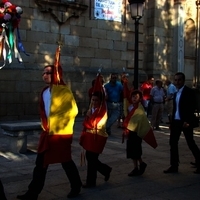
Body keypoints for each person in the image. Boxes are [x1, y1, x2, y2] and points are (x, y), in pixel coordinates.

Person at [17, 48, 82, 200]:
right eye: (43, 73)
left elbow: (73, 111)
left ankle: (76, 186)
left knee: (66, 161)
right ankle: (32, 193)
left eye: (48, 72)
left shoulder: (64, 91)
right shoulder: (44, 92)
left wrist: (59, 124)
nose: (45, 75)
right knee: (40, 164)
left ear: (57, 74)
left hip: (61, 134)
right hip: (47, 134)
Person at [163, 72, 200, 174]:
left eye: (179, 80)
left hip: (185, 122)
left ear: (183, 80)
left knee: (190, 142)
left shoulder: (189, 92)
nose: (177, 82)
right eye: (175, 80)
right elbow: (175, 108)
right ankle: (174, 165)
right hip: (176, 122)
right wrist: (172, 122)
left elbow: (192, 107)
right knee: (173, 143)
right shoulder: (175, 93)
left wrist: (187, 121)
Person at [80, 89, 112, 188]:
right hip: (90, 137)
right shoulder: (91, 109)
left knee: (91, 158)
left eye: (96, 100)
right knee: (91, 158)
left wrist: (87, 119)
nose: (94, 102)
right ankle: (104, 170)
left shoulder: (102, 111)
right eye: (92, 100)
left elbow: (94, 125)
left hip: (97, 138)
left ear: (100, 101)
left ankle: (91, 181)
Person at [123, 90, 157, 176]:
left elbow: (138, 120)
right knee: (131, 151)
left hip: (136, 132)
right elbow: (127, 115)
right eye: (133, 97)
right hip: (130, 132)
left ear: (140, 98)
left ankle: (138, 166)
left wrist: (130, 127)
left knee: (136, 151)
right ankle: (138, 165)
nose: (134, 98)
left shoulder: (140, 109)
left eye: (136, 97)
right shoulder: (131, 107)